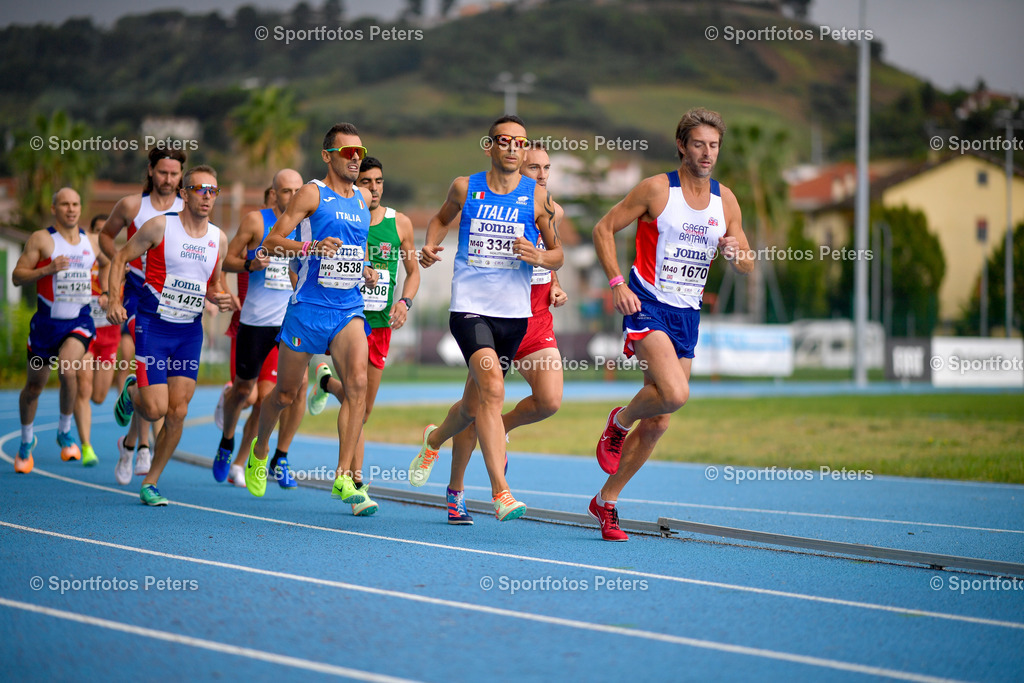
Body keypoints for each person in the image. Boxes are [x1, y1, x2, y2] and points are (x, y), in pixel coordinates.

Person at [590, 107, 753, 541]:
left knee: (660, 419)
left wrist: (739, 257)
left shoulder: (726, 200)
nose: (707, 153)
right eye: (698, 143)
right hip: (646, 302)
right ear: (682, 145)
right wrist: (616, 283)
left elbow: (746, 258)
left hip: (688, 313)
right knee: (675, 394)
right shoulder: (656, 190)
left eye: (714, 145)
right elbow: (604, 229)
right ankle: (620, 423)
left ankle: (606, 502)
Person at [408, 115, 563, 522]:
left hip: (514, 315)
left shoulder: (538, 199)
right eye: (505, 141)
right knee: (493, 391)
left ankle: (435, 439)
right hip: (470, 308)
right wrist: (429, 246)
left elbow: (557, 253)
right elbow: (442, 219)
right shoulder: (466, 186)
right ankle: (501, 492)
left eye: (520, 143)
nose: (513, 148)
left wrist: (541, 257)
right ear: (489, 146)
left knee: (472, 407)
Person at [243, 123, 377, 505]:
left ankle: (343, 477)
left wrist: (364, 268)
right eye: (347, 152)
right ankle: (260, 450)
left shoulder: (362, 200)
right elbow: (272, 242)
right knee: (284, 394)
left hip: (348, 307)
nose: (355, 158)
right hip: (308, 309)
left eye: (359, 152)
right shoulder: (311, 193)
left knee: (357, 385)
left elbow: (356, 249)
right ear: (327, 155)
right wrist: (312, 247)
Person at [444, 141, 568, 525]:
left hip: (535, 323)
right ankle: (456, 491)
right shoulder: (494, 205)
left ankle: (503, 428)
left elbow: (551, 254)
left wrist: (556, 283)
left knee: (549, 401)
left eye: (547, 168)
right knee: (474, 408)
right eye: (534, 168)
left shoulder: (552, 210)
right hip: (494, 318)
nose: (542, 175)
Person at [107, 165, 233, 505]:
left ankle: (151, 481)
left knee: (177, 411)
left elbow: (214, 283)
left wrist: (220, 296)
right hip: (153, 326)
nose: (207, 196)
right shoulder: (160, 226)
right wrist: (115, 300)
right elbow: (120, 258)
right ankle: (132, 391)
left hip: (189, 332)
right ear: (185, 193)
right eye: (200, 189)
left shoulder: (218, 239)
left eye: (213, 190)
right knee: (154, 408)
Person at [306, 156, 420, 516]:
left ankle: (326, 385)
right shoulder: (343, 216)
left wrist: (405, 301)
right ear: (356, 185)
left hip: (381, 323)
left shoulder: (399, 223)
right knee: (358, 401)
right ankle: (355, 483)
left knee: (364, 408)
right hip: (346, 319)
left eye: (378, 181)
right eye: (366, 182)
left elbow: (413, 271)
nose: (373, 188)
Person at [214, 169, 307, 489]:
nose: (292, 196)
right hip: (255, 323)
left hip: (290, 323)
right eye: (285, 191)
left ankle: (277, 455)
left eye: (298, 190)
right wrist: (250, 264)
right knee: (243, 390)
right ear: (274, 193)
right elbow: (225, 261)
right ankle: (227, 441)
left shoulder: (308, 226)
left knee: (293, 391)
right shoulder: (257, 222)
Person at [100, 147, 186, 485]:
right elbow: (107, 236)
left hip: (176, 302)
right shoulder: (132, 206)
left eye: (174, 174)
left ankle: (131, 443)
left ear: (182, 176)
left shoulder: (187, 208)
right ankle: (145, 445)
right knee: (149, 369)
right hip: (138, 293)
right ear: (150, 171)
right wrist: (119, 262)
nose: (168, 180)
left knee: (154, 383)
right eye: (162, 172)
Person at [12, 188, 96, 473]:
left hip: (79, 322)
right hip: (46, 326)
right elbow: (17, 276)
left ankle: (64, 430)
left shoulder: (91, 241)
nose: (71, 209)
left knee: (68, 369)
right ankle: (26, 442)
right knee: (34, 387)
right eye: (65, 204)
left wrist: (108, 292)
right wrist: (46, 270)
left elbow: (111, 264)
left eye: (75, 204)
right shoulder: (42, 239)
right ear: (54, 208)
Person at [74, 213, 116, 466]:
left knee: (99, 396)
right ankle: (86, 446)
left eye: (106, 232)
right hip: (84, 332)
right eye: (97, 231)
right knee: (84, 386)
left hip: (109, 336)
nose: (101, 237)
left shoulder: (118, 262)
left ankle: (75, 403)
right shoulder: (81, 261)